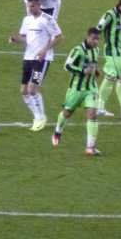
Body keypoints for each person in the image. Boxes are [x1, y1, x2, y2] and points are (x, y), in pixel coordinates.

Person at [9, 0, 62, 131]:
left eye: (32, 5)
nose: (30, 8)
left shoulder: (47, 19)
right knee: (24, 91)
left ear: (39, 4)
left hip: (42, 59)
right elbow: (25, 38)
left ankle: (41, 118)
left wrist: (45, 50)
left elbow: (58, 37)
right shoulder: (26, 20)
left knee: (32, 89)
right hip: (28, 58)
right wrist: (16, 39)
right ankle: (37, 116)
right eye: (28, 5)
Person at [52, 27, 102, 155]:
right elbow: (67, 66)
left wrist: (96, 71)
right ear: (87, 37)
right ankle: (58, 131)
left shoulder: (96, 50)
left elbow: (93, 64)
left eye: (98, 39)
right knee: (67, 113)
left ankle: (90, 148)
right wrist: (82, 71)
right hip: (76, 89)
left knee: (92, 114)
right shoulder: (77, 51)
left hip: (91, 88)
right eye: (93, 39)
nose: (96, 42)